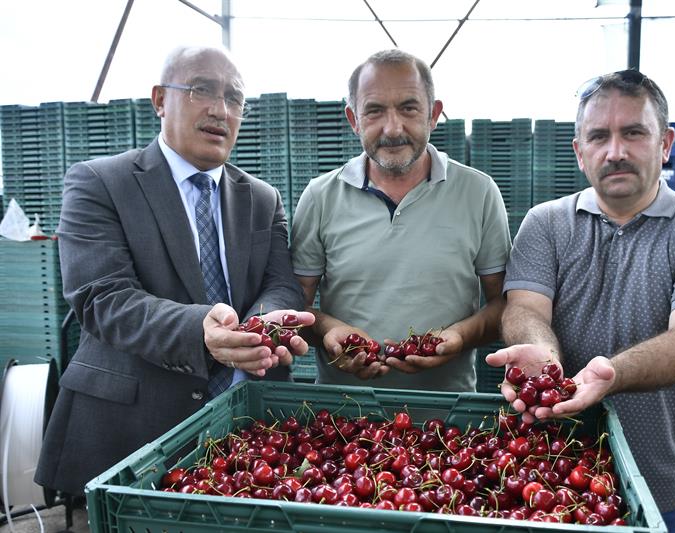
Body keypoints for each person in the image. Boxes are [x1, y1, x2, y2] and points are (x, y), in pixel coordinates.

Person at [35, 46, 311, 496]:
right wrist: (200, 330)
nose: (221, 110)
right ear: (160, 100)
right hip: (133, 429)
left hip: (245, 426)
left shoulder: (262, 198)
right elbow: (103, 298)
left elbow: (280, 283)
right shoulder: (101, 182)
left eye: (234, 98)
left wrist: (262, 326)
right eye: (202, 90)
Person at [486, 70, 675, 533]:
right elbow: (525, 308)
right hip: (545, 472)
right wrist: (543, 356)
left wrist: (614, 373)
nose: (615, 152)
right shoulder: (545, 223)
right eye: (598, 137)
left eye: (633, 133)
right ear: (579, 152)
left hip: (655, 478)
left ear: (665, 143)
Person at [290, 49, 511, 392]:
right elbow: (295, 307)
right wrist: (329, 332)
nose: (393, 129)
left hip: (447, 410)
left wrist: (459, 337)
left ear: (433, 114)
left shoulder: (478, 192)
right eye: (374, 111)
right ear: (353, 119)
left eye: (409, 108)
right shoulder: (320, 197)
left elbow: (504, 305)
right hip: (341, 410)